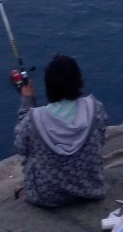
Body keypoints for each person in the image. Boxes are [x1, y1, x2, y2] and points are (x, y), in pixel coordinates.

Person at [14, 54, 108, 207]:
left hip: (47, 196)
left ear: (48, 86)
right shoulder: (94, 108)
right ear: (78, 82)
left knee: (31, 154)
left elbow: (21, 147)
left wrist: (27, 103)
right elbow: (101, 139)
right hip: (91, 188)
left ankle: (29, 191)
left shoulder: (34, 118)